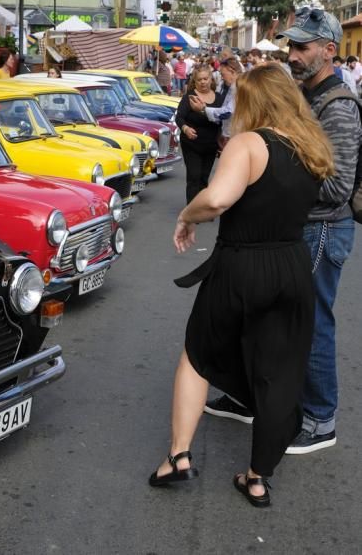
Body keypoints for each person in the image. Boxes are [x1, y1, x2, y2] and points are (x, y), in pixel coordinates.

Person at [149, 63, 334, 508]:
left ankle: (178, 458)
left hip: (241, 265)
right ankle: (256, 478)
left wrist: (185, 216)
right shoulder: (311, 147)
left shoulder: (250, 143)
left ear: (255, 101)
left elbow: (216, 198)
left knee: (198, 353)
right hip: (291, 266)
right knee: (278, 371)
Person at [206, 8, 362, 454]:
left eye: (302, 47)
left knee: (311, 324)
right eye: (291, 46)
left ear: (330, 51)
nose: (292, 55)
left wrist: (272, 184)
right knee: (262, 316)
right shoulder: (302, 97)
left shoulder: (338, 108)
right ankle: (251, 397)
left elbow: (337, 187)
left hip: (322, 232)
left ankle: (319, 418)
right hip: (294, 231)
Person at [175, 66, 222, 203]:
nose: (203, 82)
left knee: (204, 177)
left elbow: (223, 120)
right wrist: (185, 129)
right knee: (194, 176)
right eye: (199, 79)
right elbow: (179, 117)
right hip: (191, 144)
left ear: (211, 79)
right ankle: (191, 209)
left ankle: (201, 207)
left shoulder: (219, 98)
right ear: (194, 81)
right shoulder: (189, 97)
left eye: (205, 79)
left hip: (211, 144)